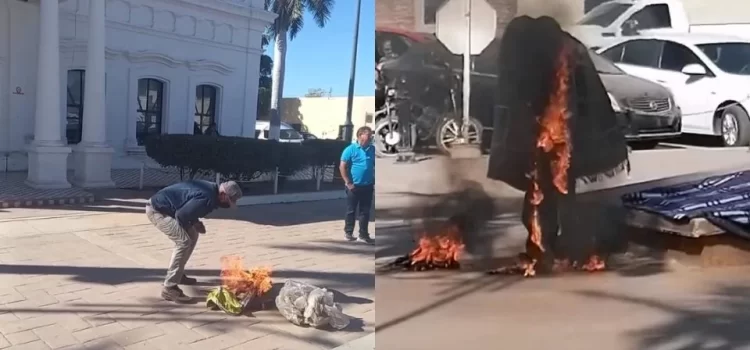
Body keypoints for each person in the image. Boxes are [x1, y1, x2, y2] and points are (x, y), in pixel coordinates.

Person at [146, 180, 243, 302]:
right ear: (223, 194)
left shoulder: (210, 190)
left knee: (193, 235)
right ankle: (169, 288)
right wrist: (194, 223)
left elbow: (188, 209)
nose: (227, 205)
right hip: (157, 211)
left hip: (167, 209)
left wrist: (195, 224)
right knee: (184, 242)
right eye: (228, 201)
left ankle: (178, 275)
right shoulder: (207, 198)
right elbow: (181, 215)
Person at [339, 126, 375, 244]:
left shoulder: (372, 149)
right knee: (351, 210)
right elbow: (342, 166)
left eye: (370, 136)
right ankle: (348, 233)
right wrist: (348, 182)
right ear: (360, 136)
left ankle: (363, 234)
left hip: (368, 186)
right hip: (354, 186)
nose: (370, 138)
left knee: (365, 211)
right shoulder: (350, 149)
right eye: (367, 136)